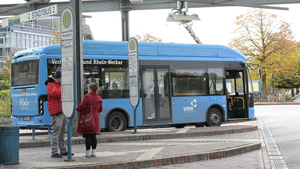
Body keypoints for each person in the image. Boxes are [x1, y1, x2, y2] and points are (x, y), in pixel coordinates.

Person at [44, 69, 71, 158]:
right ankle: (54, 151)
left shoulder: (59, 85)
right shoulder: (50, 84)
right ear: (59, 78)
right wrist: (64, 87)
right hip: (56, 111)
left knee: (63, 132)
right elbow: (55, 93)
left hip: (62, 110)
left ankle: (63, 150)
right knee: (56, 132)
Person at [76, 83, 103, 157]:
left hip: (88, 118)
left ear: (90, 89)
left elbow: (82, 106)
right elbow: (100, 109)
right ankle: (94, 152)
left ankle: (87, 152)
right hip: (95, 118)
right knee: (94, 136)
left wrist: (77, 108)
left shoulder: (87, 97)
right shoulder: (99, 98)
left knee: (88, 136)